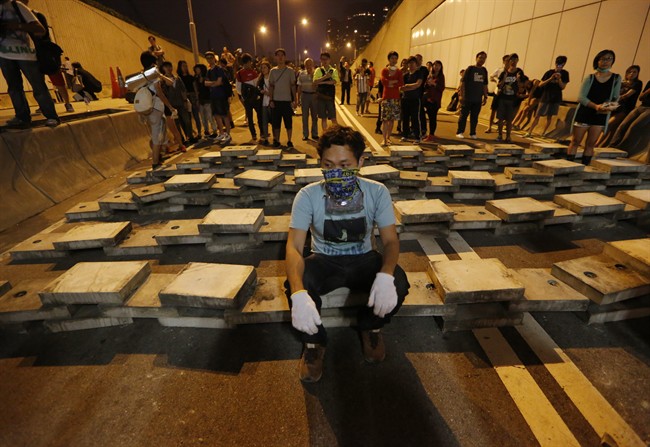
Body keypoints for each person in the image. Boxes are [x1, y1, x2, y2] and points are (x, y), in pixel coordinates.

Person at [284, 124, 410, 383]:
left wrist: (385, 275)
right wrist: (298, 293)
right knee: (296, 283)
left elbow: (390, 241)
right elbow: (294, 246)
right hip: (324, 260)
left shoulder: (376, 192)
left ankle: (370, 326)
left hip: (363, 258)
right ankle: (313, 343)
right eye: (328, 165)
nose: (336, 172)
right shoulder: (308, 196)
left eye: (344, 165)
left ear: (360, 161)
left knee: (398, 281)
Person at [0, 0, 59, 128]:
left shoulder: (16, 5)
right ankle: (22, 117)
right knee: (14, 89)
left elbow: (40, 30)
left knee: (38, 87)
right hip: (4, 56)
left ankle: (51, 116)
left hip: (25, 54)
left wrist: (13, 26)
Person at [567, 49, 621, 165]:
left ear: (612, 61)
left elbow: (616, 97)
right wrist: (596, 106)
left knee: (591, 144)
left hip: (600, 115)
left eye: (609, 58)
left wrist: (610, 106)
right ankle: (567, 167)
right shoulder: (590, 77)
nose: (606, 61)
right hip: (585, 112)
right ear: (597, 61)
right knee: (576, 141)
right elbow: (581, 98)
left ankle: (584, 167)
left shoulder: (616, 78)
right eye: (603, 58)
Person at [21, 0, 73, 113]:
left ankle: (68, 103)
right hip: (31, 52)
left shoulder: (37, 15)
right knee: (37, 82)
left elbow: (43, 33)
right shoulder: (19, 16)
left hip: (44, 52)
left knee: (57, 79)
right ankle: (44, 105)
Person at [138, 51, 176, 169]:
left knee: (157, 134)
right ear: (153, 62)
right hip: (155, 108)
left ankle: (158, 158)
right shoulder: (153, 75)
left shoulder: (142, 74)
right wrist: (169, 106)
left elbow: (170, 82)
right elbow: (160, 92)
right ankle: (155, 162)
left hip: (147, 108)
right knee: (156, 135)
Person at [596, 65, 642, 147]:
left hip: (625, 107)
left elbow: (626, 95)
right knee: (607, 125)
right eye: (630, 72)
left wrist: (616, 97)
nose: (632, 74)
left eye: (634, 72)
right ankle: (600, 145)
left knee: (609, 124)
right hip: (614, 105)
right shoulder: (622, 82)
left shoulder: (638, 83)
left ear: (638, 73)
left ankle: (596, 145)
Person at [525, 55, 570, 137]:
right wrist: (551, 78)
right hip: (545, 97)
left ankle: (543, 133)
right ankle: (529, 131)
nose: (559, 66)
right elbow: (541, 84)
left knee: (549, 116)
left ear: (564, 64)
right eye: (558, 64)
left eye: (561, 65)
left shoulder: (565, 74)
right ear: (555, 63)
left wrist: (559, 79)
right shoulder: (549, 72)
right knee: (537, 115)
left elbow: (563, 87)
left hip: (555, 98)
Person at [610, 80, 650, 157]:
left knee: (634, 126)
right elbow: (641, 97)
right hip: (641, 106)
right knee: (623, 125)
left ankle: (621, 149)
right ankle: (612, 146)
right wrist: (648, 91)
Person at [456, 51, 488, 139]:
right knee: (464, 115)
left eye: (484, 58)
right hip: (467, 97)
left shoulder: (484, 70)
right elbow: (463, 82)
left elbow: (485, 84)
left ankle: (472, 133)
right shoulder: (470, 69)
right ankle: (460, 131)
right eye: (480, 57)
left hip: (477, 98)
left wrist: (485, 96)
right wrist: (462, 95)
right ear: (476, 58)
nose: (482, 59)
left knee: (475, 117)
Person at [269, 48, 297, 148]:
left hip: (287, 101)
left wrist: (295, 99)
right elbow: (271, 86)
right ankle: (277, 140)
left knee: (288, 122)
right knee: (276, 123)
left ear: (285, 57)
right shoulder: (272, 71)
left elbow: (293, 86)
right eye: (278, 55)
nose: (280, 57)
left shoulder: (290, 71)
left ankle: (289, 140)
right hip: (276, 101)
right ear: (275, 57)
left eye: (282, 55)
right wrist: (271, 99)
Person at [204, 51, 232, 145]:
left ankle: (227, 134)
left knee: (224, 115)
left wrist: (211, 84)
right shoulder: (208, 71)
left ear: (214, 58)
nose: (209, 59)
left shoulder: (219, 69)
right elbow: (205, 83)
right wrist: (213, 83)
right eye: (207, 58)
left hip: (221, 95)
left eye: (211, 57)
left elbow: (219, 82)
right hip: (213, 96)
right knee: (216, 115)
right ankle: (221, 133)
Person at [496, 53, 525, 143]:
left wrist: (519, 80)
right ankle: (500, 135)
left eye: (515, 59)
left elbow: (522, 87)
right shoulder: (504, 72)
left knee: (509, 119)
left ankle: (508, 136)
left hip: (512, 100)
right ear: (509, 61)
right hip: (502, 98)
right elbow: (499, 86)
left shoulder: (519, 72)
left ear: (517, 61)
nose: (513, 61)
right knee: (500, 118)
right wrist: (504, 79)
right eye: (512, 59)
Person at [160, 61, 188, 151]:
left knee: (184, 121)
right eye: (166, 67)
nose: (168, 68)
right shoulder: (160, 80)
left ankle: (183, 141)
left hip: (176, 104)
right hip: (165, 105)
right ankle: (176, 143)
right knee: (171, 125)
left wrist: (185, 100)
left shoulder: (175, 78)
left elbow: (182, 89)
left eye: (169, 66)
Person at [236, 53, 263, 143]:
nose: (248, 64)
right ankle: (254, 134)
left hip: (254, 98)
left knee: (260, 116)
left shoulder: (254, 72)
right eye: (246, 63)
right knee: (250, 118)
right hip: (248, 99)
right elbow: (238, 88)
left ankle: (262, 132)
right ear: (243, 63)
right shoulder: (239, 74)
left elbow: (257, 85)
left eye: (249, 63)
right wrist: (244, 97)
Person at [380, 51, 404, 146]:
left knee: (392, 120)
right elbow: (384, 81)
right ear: (389, 59)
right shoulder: (384, 70)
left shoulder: (399, 71)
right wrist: (393, 82)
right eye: (392, 58)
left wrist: (391, 82)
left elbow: (401, 83)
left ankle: (388, 138)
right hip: (386, 97)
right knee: (385, 120)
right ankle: (384, 139)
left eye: (395, 58)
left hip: (395, 98)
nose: (394, 60)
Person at [399, 56, 425, 142]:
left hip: (415, 99)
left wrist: (407, 86)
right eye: (409, 63)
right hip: (405, 99)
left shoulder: (419, 73)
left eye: (413, 63)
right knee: (405, 118)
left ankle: (418, 137)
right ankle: (405, 135)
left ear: (416, 64)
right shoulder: (405, 75)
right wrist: (410, 87)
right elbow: (401, 87)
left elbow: (418, 84)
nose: (411, 65)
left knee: (415, 118)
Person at [313, 51, 339, 132]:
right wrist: (326, 77)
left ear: (329, 60)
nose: (324, 61)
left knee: (333, 118)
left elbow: (335, 81)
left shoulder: (333, 70)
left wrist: (322, 82)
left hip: (330, 97)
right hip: (321, 97)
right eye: (322, 59)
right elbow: (315, 82)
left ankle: (336, 135)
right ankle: (325, 135)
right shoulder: (318, 70)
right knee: (323, 118)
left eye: (326, 59)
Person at [178, 60, 200, 143]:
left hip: (192, 96)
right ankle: (189, 134)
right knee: (187, 117)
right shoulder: (178, 78)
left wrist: (197, 98)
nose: (185, 67)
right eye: (183, 66)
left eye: (186, 66)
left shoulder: (191, 77)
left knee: (196, 115)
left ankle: (199, 132)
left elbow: (195, 88)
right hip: (184, 98)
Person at [422, 60, 445, 142]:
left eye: (438, 65)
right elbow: (425, 87)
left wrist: (434, 84)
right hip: (427, 99)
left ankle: (431, 135)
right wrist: (428, 83)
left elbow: (441, 88)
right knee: (426, 116)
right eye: (435, 65)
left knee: (432, 118)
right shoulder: (430, 75)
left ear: (441, 67)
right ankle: (428, 133)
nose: (436, 67)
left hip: (435, 100)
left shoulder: (441, 76)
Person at [297, 57, 319, 141]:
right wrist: (298, 98)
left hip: (314, 96)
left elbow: (318, 85)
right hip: (304, 95)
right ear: (305, 65)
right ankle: (305, 134)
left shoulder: (317, 73)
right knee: (304, 116)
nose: (309, 66)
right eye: (307, 64)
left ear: (312, 64)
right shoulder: (301, 74)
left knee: (314, 116)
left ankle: (314, 134)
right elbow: (299, 86)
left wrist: (312, 75)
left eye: (310, 64)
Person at [193, 63, 218, 139]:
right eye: (196, 69)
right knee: (203, 118)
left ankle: (214, 131)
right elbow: (196, 89)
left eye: (198, 69)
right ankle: (206, 131)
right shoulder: (195, 78)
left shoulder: (206, 77)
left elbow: (210, 87)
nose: (197, 70)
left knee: (210, 116)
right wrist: (197, 99)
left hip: (208, 99)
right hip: (200, 100)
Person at [486, 54, 509, 134]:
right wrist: (496, 81)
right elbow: (491, 77)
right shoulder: (499, 70)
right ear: (503, 61)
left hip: (507, 93)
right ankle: (489, 126)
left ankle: (500, 127)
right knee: (493, 110)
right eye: (506, 60)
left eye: (509, 60)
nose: (508, 62)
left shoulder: (512, 71)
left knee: (503, 111)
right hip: (497, 92)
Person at [257, 60, 272, 146]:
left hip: (271, 102)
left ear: (269, 68)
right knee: (264, 121)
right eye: (262, 68)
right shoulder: (260, 79)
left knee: (273, 121)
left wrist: (270, 93)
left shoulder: (272, 77)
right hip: (263, 103)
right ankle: (266, 138)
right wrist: (261, 91)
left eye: (265, 67)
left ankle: (275, 138)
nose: (263, 69)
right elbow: (258, 88)